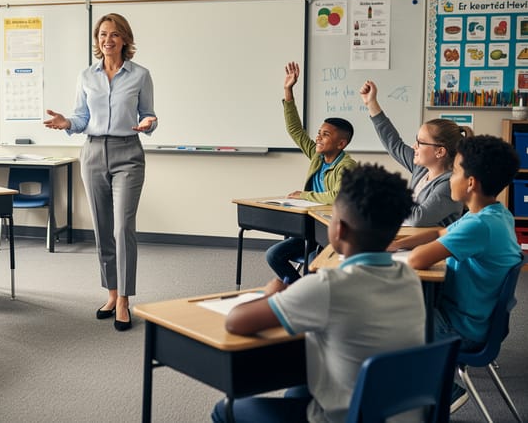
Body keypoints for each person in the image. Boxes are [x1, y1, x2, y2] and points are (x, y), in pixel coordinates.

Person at [212, 164, 425, 423]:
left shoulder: (328, 286)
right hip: (400, 414)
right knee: (299, 389)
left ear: (339, 229)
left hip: (347, 418)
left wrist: (271, 294)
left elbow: (236, 321)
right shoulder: (410, 279)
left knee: (225, 409)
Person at [389, 135, 522, 412]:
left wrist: (407, 250)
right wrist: (398, 243)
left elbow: (417, 260)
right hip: (475, 320)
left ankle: (445, 390)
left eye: (455, 172)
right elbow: (441, 232)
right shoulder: (493, 214)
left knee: (380, 319)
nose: (450, 178)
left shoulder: (478, 226)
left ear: (470, 183)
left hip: (461, 328)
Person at [43, 13, 157, 332]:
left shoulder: (140, 75)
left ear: (125, 39)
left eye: (115, 34)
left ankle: (124, 300)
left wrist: (150, 123)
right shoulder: (86, 76)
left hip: (128, 153)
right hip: (93, 153)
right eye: (103, 34)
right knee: (103, 228)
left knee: (123, 227)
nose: (108, 40)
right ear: (97, 40)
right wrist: (67, 122)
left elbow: (148, 114)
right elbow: (81, 118)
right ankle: (111, 293)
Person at [266, 61, 356, 283]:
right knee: (274, 255)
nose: (318, 138)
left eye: (325, 135)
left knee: (313, 266)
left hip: (334, 232)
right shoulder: (317, 155)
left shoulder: (347, 166)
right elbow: (295, 130)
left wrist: (304, 195)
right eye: (319, 132)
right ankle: (298, 290)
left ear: (341, 143)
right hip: (311, 228)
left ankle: (305, 291)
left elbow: (337, 196)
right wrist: (288, 91)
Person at [360, 79, 471, 226]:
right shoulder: (422, 169)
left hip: (433, 241)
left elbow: (417, 218)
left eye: (420, 142)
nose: (414, 146)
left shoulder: (449, 184)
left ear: (440, 152)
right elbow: (394, 144)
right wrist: (371, 103)